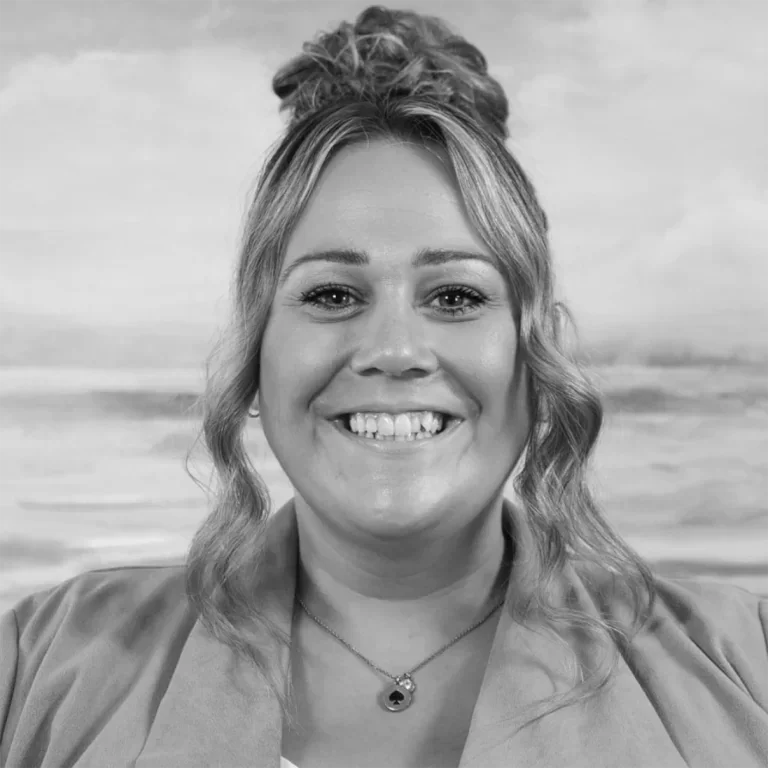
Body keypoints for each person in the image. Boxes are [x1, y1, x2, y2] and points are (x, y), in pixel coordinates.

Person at [1, 6, 767, 768]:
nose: (395, 349)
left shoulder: (746, 669)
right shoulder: (38, 665)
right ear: (256, 351)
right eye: (333, 295)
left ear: (536, 353)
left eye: (456, 297)